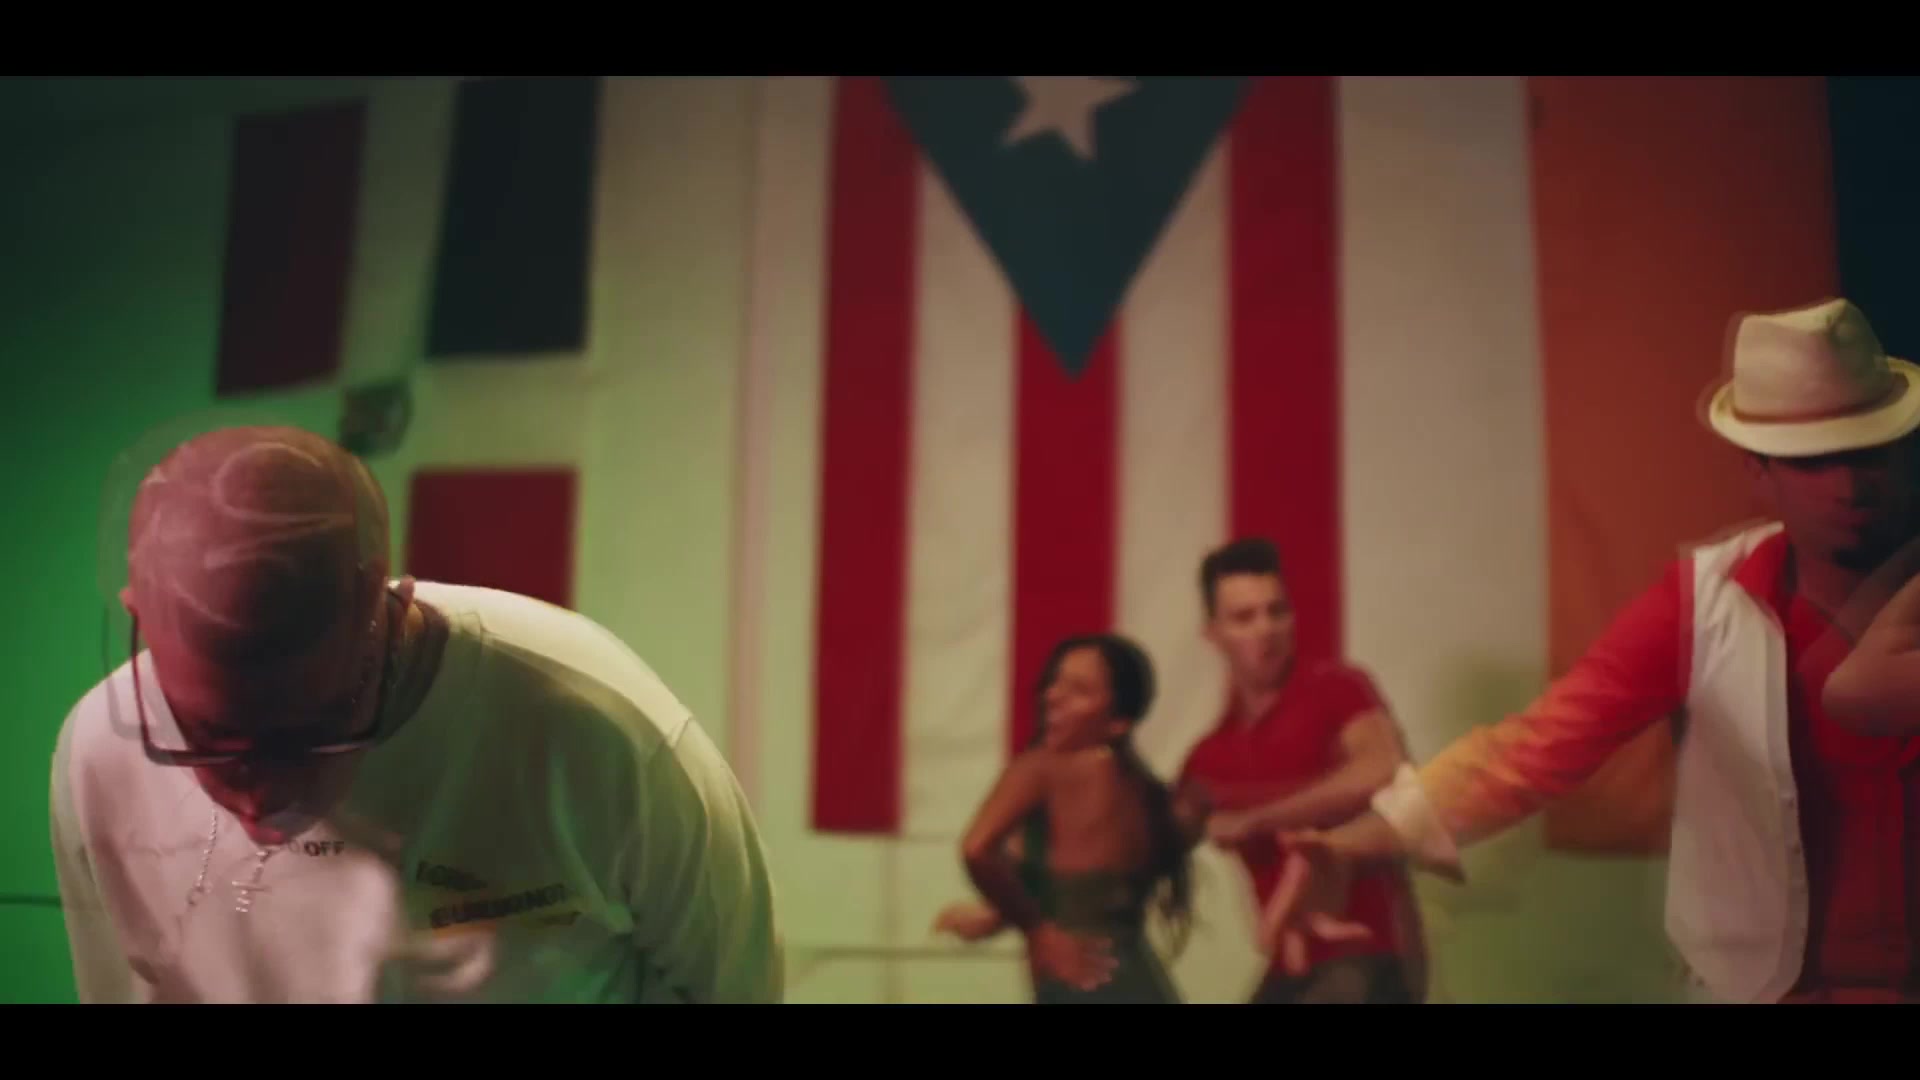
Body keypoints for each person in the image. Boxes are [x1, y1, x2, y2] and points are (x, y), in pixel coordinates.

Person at [1261, 297, 1920, 1005]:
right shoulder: (1705, 603)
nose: (1849, 485)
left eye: (1867, 449)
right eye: (1814, 461)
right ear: (1760, 469)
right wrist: (1351, 844)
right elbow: (1533, 749)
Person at [49, 425, 783, 1003]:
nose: (259, 800)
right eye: (208, 738)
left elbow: (729, 988)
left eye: (308, 735)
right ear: (138, 617)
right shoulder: (99, 756)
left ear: (380, 606)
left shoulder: (594, 728)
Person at [1175, 537, 1427, 1003]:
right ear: (1213, 633)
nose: (1266, 629)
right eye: (1244, 617)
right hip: (1291, 964)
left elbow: (1384, 768)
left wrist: (1256, 819)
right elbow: (1152, 836)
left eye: (1277, 611)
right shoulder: (1209, 757)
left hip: (1367, 954)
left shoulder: (1337, 689)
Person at [931, 634, 1204, 1002]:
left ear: (1118, 722)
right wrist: (1002, 916)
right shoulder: (1141, 790)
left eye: (1079, 690)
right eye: (1055, 682)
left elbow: (976, 849)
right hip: (1139, 979)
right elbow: (1092, 893)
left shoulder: (1045, 768)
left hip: (1084, 983)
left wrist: (1035, 929)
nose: (1052, 696)